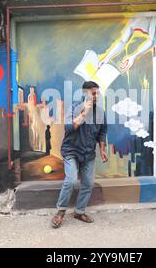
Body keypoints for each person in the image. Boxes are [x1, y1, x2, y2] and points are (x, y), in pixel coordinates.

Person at [51, 81, 108, 228]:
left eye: (98, 93)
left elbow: (102, 132)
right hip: (72, 151)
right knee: (70, 180)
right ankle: (60, 211)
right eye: (93, 93)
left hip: (88, 153)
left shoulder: (101, 112)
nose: (97, 96)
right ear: (85, 94)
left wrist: (102, 149)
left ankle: (79, 211)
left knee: (88, 183)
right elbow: (69, 128)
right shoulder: (75, 108)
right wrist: (84, 113)